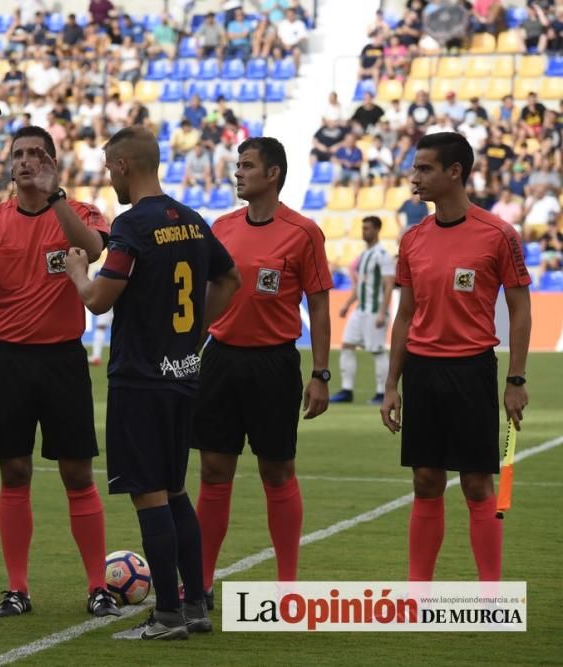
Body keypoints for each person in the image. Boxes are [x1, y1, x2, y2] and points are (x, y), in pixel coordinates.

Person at [63, 126, 240, 639]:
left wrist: (78, 270)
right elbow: (230, 279)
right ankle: (194, 606)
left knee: (149, 494)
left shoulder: (131, 226)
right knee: (176, 491)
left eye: (108, 167)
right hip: (183, 375)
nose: (108, 177)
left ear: (121, 166)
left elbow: (99, 298)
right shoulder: (190, 219)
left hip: (141, 378)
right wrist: (193, 333)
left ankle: (166, 615)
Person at [0, 126, 118, 619]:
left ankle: (98, 586)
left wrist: (55, 198)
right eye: (19, 155)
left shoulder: (80, 211)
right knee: (15, 471)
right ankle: (17, 589)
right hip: (8, 358)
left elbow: (91, 249)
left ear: (52, 163)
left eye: (36, 154)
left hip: (62, 358)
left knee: (76, 472)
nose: (26, 162)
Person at [381, 132, 531, 583]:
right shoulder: (412, 239)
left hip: (472, 370)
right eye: (414, 168)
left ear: (455, 172)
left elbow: (521, 309)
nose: (415, 178)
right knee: (425, 480)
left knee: (476, 484)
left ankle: (490, 595)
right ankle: (417, 593)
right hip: (422, 372)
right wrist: (391, 384)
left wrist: (516, 379)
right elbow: (406, 315)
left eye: (425, 168)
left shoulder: (498, 234)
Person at [193, 137, 333, 609]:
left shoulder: (303, 231)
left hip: (273, 362)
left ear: (272, 174)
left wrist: (321, 372)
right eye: (237, 164)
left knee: (277, 471)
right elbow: (207, 295)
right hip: (220, 357)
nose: (238, 172)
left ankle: (286, 586)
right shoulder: (222, 227)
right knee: (213, 470)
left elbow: (318, 300)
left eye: (247, 165)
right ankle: (201, 583)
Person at [330, 216, 396, 405]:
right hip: (360, 310)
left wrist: (383, 312)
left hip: (375, 311)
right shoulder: (365, 255)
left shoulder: (382, 256)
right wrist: (347, 304)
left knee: (377, 351)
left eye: (367, 228)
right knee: (347, 345)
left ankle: (381, 393)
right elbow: (361, 286)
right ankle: (346, 390)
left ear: (376, 230)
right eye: (363, 228)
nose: (363, 231)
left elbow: (389, 285)